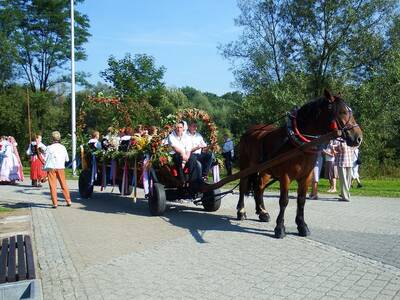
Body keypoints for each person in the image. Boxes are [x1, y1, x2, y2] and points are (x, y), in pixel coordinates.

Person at [167, 121, 203, 187]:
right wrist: (183, 155)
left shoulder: (186, 137)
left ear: (183, 128)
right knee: (178, 157)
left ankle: (192, 181)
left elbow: (188, 149)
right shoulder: (171, 136)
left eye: (180, 127)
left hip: (185, 155)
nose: (179, 129)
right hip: (174, 154)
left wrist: (186, 157)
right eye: (177, 127)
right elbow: (175, 148)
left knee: (193, 158)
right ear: (175, 128)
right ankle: (182, 180)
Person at [43, 131, 72, 208]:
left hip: (52, 167)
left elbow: (45, 159)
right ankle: (68, 200)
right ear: (59, 138)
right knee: (63, 184)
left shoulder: (49, 147)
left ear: (52, 138)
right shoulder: (63, 147)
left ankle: (55, 203)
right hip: (61, 167)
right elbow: (67, 159)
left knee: (53, 186)